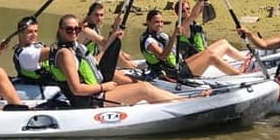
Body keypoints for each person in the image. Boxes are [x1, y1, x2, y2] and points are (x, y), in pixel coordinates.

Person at [49, 14, 184, 108]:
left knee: (143, 86)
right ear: (60, 30)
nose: (74, 32)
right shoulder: (65, 54)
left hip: (95, 93)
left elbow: (95, 64)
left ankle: (183, 100)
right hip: (90, 100)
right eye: (69, 29)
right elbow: (77, 89)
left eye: (77, 29)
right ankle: (183, 104)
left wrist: (112, 39)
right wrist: (103, 87)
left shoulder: (76, 48)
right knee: (144, 89)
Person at [141, 9, 242, 78]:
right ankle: (238, 75)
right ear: (148, 22)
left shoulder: (160, 35)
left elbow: (194, 15)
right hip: (175, 73)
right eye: (156, 22)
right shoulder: (149, 41)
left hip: (181, 64)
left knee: (222, 43)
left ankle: (246, 60)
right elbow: (163, 56)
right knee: (212, 57)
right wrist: (174, 36)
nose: (160, 24)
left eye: (162, 22)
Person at [175, 0, 248, 63]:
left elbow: (197, 12)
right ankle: (246, 61)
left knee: (223, 42)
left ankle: (244, 60)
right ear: (178, 14)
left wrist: (204, 0)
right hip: (195, 60)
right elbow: (193, 15)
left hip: (202, 54)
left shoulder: (191, 21)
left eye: (188, 9)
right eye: (182, 11)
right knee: (225, 47)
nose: (186, 12)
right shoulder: (181, 25)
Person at [78, 1, 137, 69]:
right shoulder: (87, 31)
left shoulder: (94, 26)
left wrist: (116, 25)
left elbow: (109, 43)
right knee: (119, 57)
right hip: (86, 65)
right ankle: (132, 67)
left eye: (101, 15)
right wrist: (115, 26)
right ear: (89, 15)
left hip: (92, 61)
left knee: (121, 56)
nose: (99, 18)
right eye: (96, 15)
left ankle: (131, 66)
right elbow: (106, 44)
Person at [12, 16, 53, 84]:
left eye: (36, 31)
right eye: (30, 32)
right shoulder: (24, 54)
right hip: (37, 85)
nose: (34, 35)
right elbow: (55, 51)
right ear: (20, 33)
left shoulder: (38, 46)